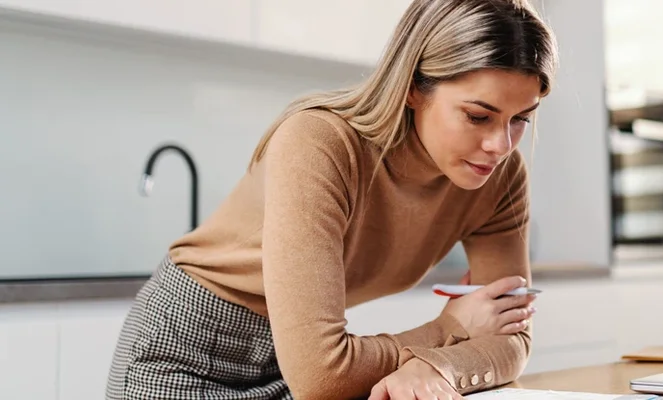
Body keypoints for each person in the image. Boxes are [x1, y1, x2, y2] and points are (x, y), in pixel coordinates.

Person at [104, 0, 558, 398]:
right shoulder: (319, 142)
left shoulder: (501, 179)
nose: (501, 145)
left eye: (521, 119)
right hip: (184, 357)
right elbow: (321, 377)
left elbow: (510, 336)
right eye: (479, 116)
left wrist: (434, 363)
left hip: (301, 367)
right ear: (414, 87)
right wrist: (448, 331)